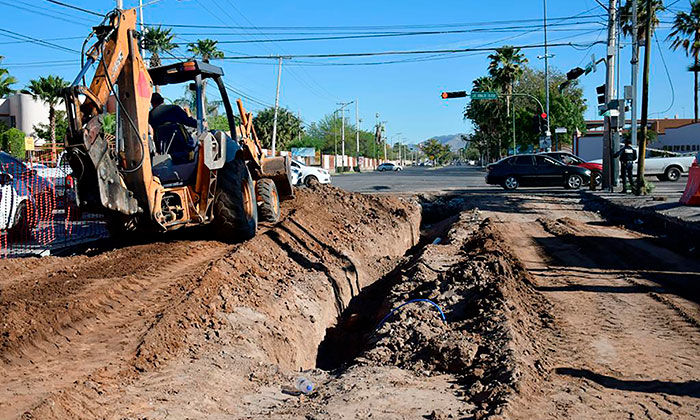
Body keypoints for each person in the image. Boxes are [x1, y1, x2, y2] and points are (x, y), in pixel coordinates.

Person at [148, 92, 198, 164]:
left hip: (165, 148)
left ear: (152, 103)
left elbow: (154, 133)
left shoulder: (151, 115)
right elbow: (188, 122)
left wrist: (158, 150)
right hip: (181, 144)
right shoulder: (174, 109)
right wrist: (199, 124)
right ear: (162, 100)